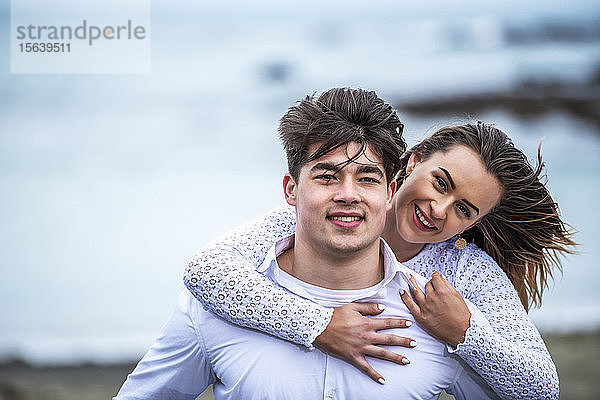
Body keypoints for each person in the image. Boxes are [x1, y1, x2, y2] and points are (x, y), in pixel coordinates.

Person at [114, 88, 500, 399]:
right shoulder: (216, 304)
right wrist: (316, 326)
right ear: (291, 189)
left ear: (390, 191)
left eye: (367, 179)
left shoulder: (440, 318)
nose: (348, 195)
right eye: (327, 176)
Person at [184, 96, 575, 399]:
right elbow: (206, 270)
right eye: (441, 183)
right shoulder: (320, 214)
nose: (438, 210)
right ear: (413, 162)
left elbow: (540, 388)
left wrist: (465, 332)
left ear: (473, 223)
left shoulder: (465, 272)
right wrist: (320, 325)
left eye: (464, 209)